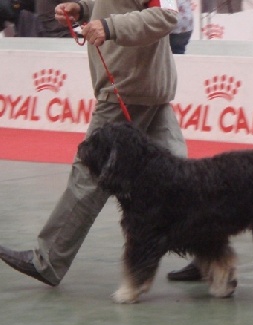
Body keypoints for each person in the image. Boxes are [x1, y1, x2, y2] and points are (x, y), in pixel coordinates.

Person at [0, 0, 187, 287]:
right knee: (183, 180)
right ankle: (211, 252)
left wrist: (109, 27)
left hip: (126, 89)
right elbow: (119, 5)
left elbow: (165, 16)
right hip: (145, 87)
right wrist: (83, 9)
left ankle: (47, 260)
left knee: (89, 174)